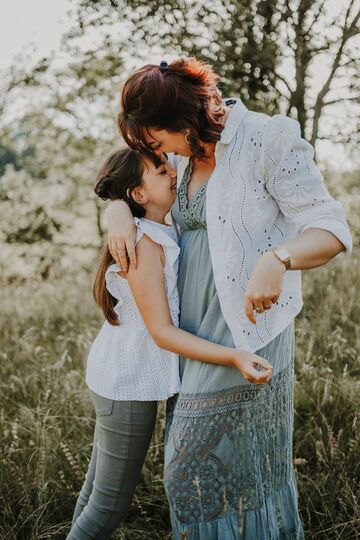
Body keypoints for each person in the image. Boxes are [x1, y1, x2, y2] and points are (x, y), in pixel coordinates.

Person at [106, 58, 352, 539]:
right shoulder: (176, 154)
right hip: (189, 334)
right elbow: (131, 183)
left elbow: (333, 229)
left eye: (158, 141)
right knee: (206, 477)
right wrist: (117, 208)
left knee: (200, 472)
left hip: (247, 329)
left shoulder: (268, 139)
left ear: (185, 120)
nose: (158, 152)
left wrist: (277, 258)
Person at [67, 146, 273, 540]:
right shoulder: (144, 244)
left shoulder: (162, 227)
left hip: (121, 375)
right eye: (161, 171)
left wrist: (118, 209)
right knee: (109, 504)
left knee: (96, 492)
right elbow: (162, 332)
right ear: (139, 194)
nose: (173, 172)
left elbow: (120, 203)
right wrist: (234, 355)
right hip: (126, 384)